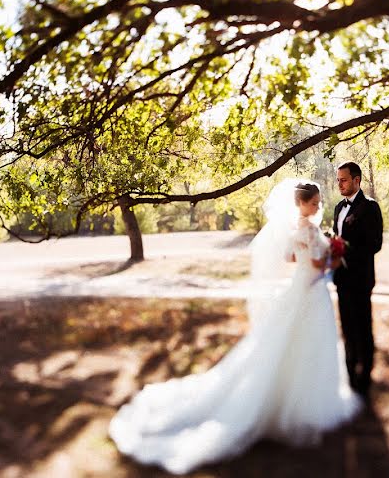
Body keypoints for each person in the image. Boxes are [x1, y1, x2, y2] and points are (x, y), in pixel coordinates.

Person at [109, 180, 361, 475]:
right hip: (311, 292)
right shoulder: (310, 229)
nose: (318, 206)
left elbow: (289, 257)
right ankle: (301, 406)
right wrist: (336, 256)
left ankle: (289, 399)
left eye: (318, 202)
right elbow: (318, 266)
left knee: (290, 345)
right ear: (301, 204)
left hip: (299, 290)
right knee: (311, 346)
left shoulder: (295, 229)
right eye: (314, 202)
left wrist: (315, 253)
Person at [332, 161, 383, 402]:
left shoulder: (370, 207)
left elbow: (375, 245)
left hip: (361, 280)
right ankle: (350, 374)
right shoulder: (337, 208)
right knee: (347, 329)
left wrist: (344, 248)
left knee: (363, 329)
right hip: (341, 280)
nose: (339, 183)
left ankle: (365, 378)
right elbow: (337, 239)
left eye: (343, 179)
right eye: (338, 179)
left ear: (356, 180)